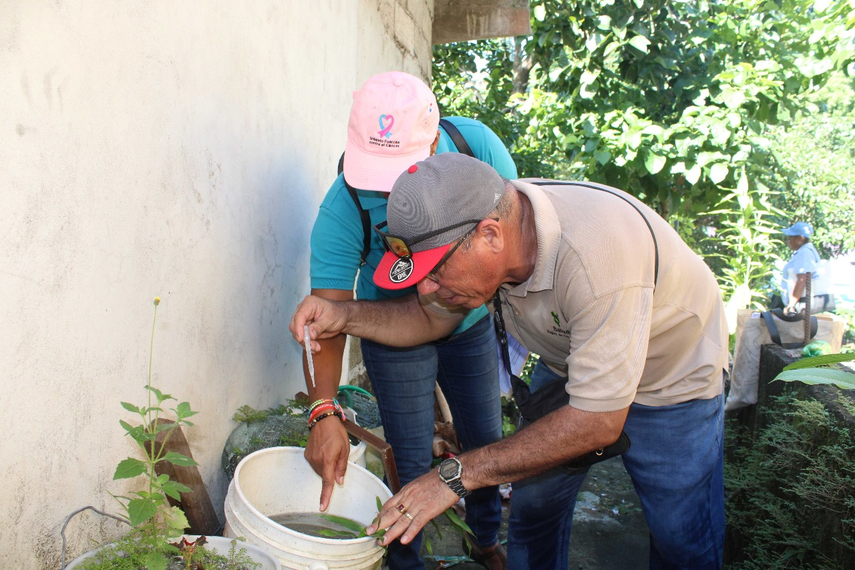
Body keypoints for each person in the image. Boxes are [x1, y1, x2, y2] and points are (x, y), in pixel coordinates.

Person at [291, 153, 729, 569]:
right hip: (573, 365)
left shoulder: (597, 259)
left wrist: (452, 475)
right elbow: (427, 320)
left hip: (673, 379)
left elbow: (597, 421)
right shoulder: (491, 237)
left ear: (490, 236)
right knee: (534, 510)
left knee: (680, 536)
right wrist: (343, 316)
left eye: (436, 271)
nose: (426, 289)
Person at [303, 72, 517, 570]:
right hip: (393, 332)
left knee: (485, 440)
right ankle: (406, 563)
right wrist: (323, 410)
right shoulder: (345, 205)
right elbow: (327, 319)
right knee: (412, 456)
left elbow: (517, 239)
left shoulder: (477, 149)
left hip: (469, 324)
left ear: (436, 141)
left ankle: (485, 540)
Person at [780, 221, 833, 315]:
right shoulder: (803, 252)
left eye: (790, 238)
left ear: (800, 239)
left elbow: (802, 279)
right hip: (802, 304)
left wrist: (791, 305)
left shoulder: (805, 253)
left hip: (801, 305)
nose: (788, 241)